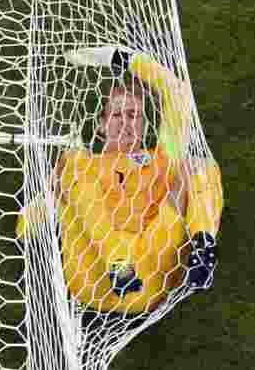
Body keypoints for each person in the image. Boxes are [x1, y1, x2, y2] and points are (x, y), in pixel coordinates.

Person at [17, 46, 224, 317]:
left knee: (198, 166)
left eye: (132, 115)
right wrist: (51, 191)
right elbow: (25, 229)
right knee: (72, 163)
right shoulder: (84, 165)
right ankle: (117, 260)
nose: (125, 123)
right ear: (101, 125)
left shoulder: (162, 157)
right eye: (116, 115)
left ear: (144, 125)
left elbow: (177, 93)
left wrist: (121, 57)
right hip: (95, 277)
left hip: (153, 274)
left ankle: (203, 243)